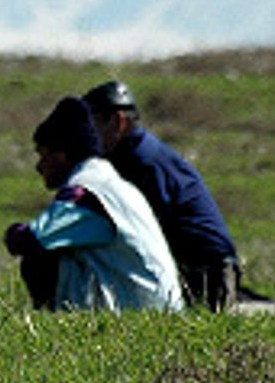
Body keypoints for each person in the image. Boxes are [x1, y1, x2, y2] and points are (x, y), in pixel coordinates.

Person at [5, 96, 182, 312]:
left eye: (44, 155)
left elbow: (32, 239)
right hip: (159, 304)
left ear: (63, 154)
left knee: (40, 260)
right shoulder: (112, 184)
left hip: (139, 307)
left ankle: (63, 326)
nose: (39, 166)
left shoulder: (87, 193)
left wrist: (12, 232)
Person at [83, 79, 245, 309]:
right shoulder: (131, 155)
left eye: (93, 125)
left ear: (118, 122)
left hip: (207, 274)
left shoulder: (143, 162)